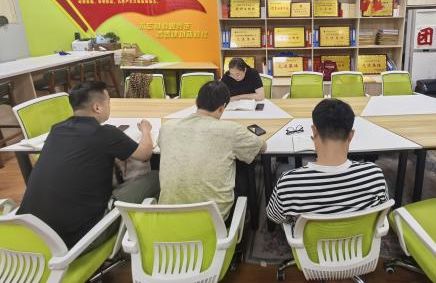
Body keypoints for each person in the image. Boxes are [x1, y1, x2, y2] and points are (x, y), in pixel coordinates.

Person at [17, 82, 159, 249]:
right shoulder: (106, 133)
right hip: (77, 240)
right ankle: (150, 238)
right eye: (108, 103)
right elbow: (144, 154)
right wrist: (146, 130)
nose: (109, 107)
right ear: (97, 107)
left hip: (28, 234)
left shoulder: (56, 130)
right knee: (155, 176)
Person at [267, 99, 389, 224]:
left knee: (282, 168)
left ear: (314, 131)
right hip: (359, 236)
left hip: (308, 237)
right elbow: (381, 209)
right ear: (351, 135)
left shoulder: (287, 183)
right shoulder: (374, 175)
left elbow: (274, 216)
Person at [158, 80, 266, 220]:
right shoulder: (231, 130)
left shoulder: (167, 127)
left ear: (196, 101)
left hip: (168, 218)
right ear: (222, 109)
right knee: (243, 167)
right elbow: (262, 148)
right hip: (214, 220)